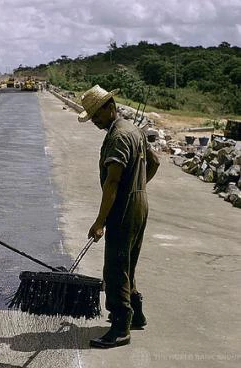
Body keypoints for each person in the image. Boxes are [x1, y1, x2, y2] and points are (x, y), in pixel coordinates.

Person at [77, 85, 160, 348]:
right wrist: (138, 186)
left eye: (97, 116)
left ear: (110, 107)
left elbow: (112, 182)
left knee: (115, 267)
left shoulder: (118, 137)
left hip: (124, 207)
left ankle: (121, 327)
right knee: (128, 262)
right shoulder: (132, 129)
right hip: (139, 202)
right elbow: (155, 162)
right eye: (91, 118)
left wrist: (100, 221)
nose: (95, 122)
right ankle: (137, 314)